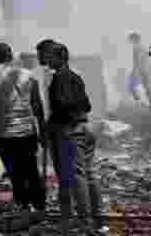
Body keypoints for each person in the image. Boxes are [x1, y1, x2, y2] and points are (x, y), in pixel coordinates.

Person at [44, 41, 105, 235]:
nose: (47, 59)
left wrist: (51, 123)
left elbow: (62, 105)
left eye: (50, 56)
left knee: (78, 176)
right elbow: (87, 105)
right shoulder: (75, 77)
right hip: (85, 128)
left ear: (60, 58)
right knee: (88, 174)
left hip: (71, 131)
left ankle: (85, 222)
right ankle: (98, 217)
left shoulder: (60, 77)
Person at [0, 42, 46, 223]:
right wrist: (42, 130)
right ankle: (40, 207)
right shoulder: (29, 75)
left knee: (15, 172)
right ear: (11, 56)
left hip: (6, 134)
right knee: (31, 170)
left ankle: (24, 207)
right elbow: (37, 105)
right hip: (28, 131)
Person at [130, 32, 150, 106]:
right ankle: (145, 101)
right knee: (146, 86)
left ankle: (145, 101)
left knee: (146, 86)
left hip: (143, 69)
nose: (131, 42)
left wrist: (136, 69)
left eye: (131, 39)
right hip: (144, 69)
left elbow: (139, 59)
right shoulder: (141, 47)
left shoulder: (138, 47)